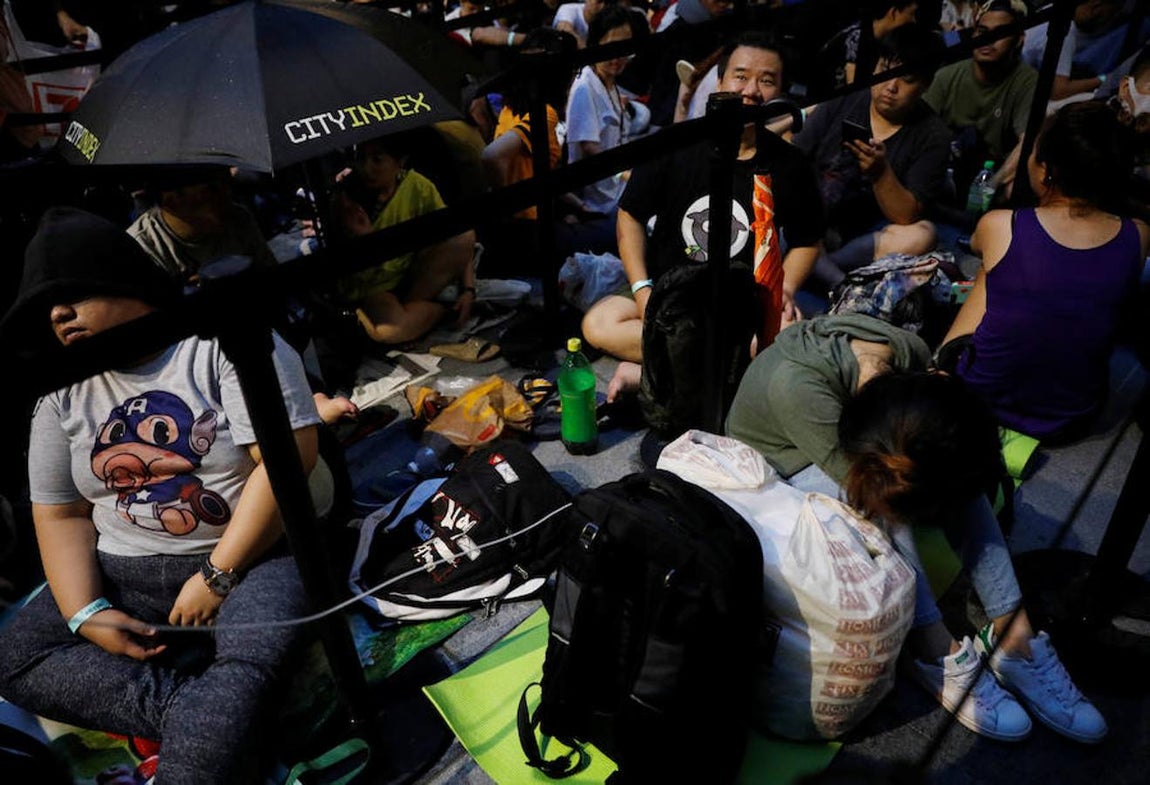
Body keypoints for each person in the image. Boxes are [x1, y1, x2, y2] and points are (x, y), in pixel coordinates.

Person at [0, 207, 322, 783]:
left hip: (255, 558)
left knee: (249, 660)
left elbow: (285, 462)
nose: (57, 314)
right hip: (124, 569)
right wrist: (85, 612)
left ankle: (211, 728)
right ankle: (193, 711)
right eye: (45, 308)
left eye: (72, 294)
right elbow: (61, 513)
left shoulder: (219, 343)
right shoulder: (60, 392)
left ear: (127, 281)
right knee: (15, 658)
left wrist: (218, 575)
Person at [725, 325, 1107, 744]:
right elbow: (874, 490)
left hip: (858, 435)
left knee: (956, 470)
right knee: (886, 505)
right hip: (780, 466)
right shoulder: (798, 391)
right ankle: (934, 649)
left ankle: (1015, 636)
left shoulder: (904, 353)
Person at [581, 30, 824, 390]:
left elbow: (808, 240)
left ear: (780, 92)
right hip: (669, 293)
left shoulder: (790, 164)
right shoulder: (674, 144)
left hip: (744, 303)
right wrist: (643, 289)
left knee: (782, 340)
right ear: (720, 82)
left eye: (766, 80)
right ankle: (715, 364)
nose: (751, 90)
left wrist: (784, 288)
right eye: (740, 76)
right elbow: (630, 216)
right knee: (598, 324)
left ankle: (656, 371)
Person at [941, 101, 1150, 442]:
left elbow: (977, 245)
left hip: (978, 401)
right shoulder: (1138, 235)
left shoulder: (1001, 224)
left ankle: (941, 364)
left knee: (990, 272)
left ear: (1045, 171)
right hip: (1070, 418)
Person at [793, 23, 949, 291]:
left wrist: (881, 173)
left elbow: (906, 216)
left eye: (906, 79)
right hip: (810, 216)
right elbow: (795, 157)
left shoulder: (933, 135)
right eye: (885, 71)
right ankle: (836, 280)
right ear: (876, 66)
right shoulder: (844, 100)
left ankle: (816, 266)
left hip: (863, 237)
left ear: (925, 85)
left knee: (923, 235)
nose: (891, 86)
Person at [332, 133, 477, 345]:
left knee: (464, 236)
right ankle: (443, 311)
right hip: (374, 288)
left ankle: (415, 309)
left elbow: (458, 233)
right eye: (361, 158)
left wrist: (468, 290)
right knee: (389, 331)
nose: (366, 168)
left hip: (411, 277)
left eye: (377, 160)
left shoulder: (418, 186)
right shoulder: (346, 198)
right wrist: (364, 239)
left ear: (400, 162)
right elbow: (347, 273)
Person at [923, 0, 1036, 201]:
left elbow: (1028, 142)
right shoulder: (947, 76)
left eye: (1000, 34)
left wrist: (990, 186)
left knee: (1016, 186)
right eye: (982, 32)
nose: (987, 40)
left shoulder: (1026, 80)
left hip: (994, 171)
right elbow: (917, 130)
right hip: (945, 164)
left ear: (1018, 39)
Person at [564, 5, 648, 222]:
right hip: (601, 199)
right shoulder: (585, 87)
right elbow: (589, 148)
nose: (618, 57)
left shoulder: (609, 82)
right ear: (596, 44)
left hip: (618, 185)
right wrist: (627, 175)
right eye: (612, 47)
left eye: (624, 48)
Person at [128, 167, 277, 284]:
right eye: (211, 189)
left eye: (227, 184)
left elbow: (272, 275)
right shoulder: (141, 249)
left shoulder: (238, 218)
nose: (226, 194)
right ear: (172, 200)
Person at [818, 0, 920, 92]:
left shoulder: (880, 42)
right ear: (893, 12)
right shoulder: (857, 36)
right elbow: (853, 88)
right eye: (911, 14)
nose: (913, 20)